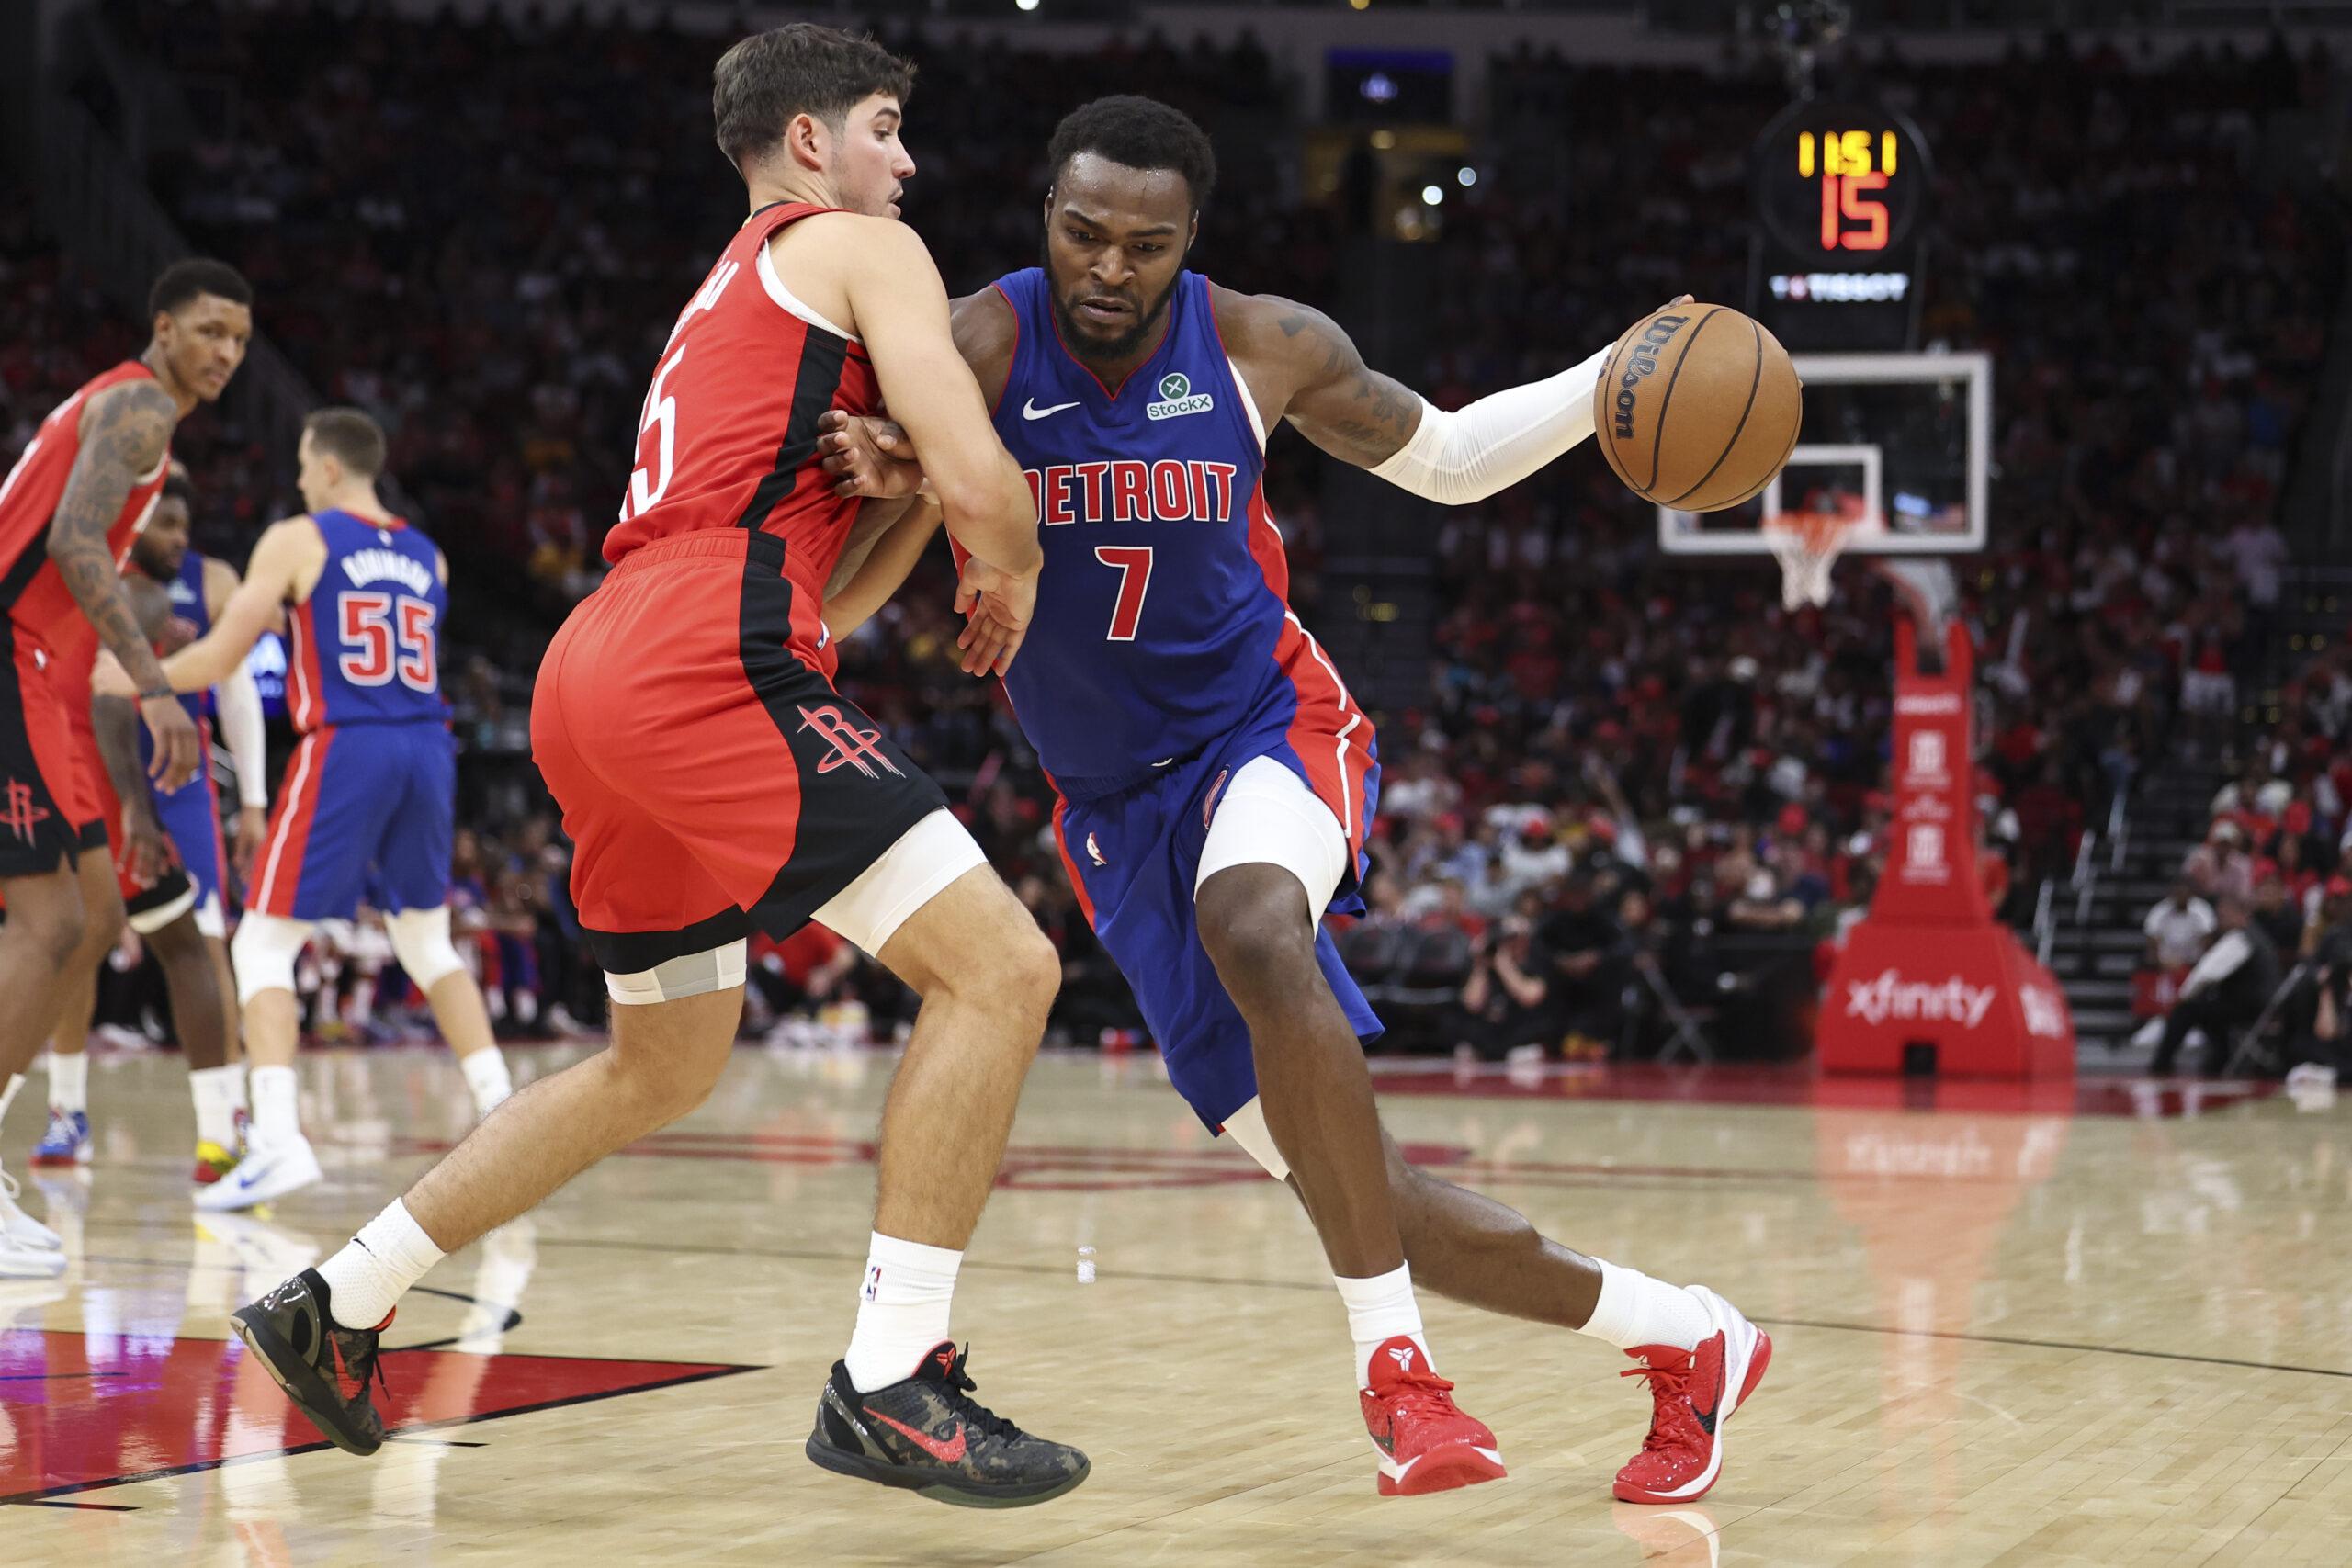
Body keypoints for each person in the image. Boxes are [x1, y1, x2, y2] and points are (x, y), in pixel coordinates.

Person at [818, 95, 1768, 1505]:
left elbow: (1450, 458)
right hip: (1113, 815)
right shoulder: (975, 344)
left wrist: (1610, 370)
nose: (1109, 267)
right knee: (1364, 1188)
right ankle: (1691, 1334)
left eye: (1146, 243)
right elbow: (870, 499)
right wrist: (885, 474)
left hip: (1271, 727)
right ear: (1047, 218)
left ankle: (1399, 1373)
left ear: (1190, 239)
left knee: (1257, 923)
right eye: (1083, 232)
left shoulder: (1267, 343)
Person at [205, 28, 1086, 1509]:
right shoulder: (865, 246)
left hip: (614, 656)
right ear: (809, 142)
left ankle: (338, 1297)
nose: (907, 160)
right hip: (699, 653)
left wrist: (918, 493)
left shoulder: (728, 297)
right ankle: (891, 1374)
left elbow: (837, 599)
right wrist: (1010, 543)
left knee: (660, 1060)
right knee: (1004, 968)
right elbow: (996, 491)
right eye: (885, 127)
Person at [99, 408, 515, 1209]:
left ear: (327, 467)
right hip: (429, 745)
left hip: (350, 741)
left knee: (262, 944)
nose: (295, 479)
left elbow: (225, 654)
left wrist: (140, 677)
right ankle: (502, 1109)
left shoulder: (299, 538)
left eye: (300, 464)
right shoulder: (428, 554)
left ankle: (279, 1140)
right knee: (427, 941)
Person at [0, 258, 249, 1279]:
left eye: (240, 339)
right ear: (164, 327)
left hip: (40, 668)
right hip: (13, 651)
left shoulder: (122, 405)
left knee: (98, 915)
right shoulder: (141, 406)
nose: (226, 352)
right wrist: (155, 684)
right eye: (210, 331)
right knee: (49, 924)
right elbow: (72, 541)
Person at [33, 472, 267, 1185]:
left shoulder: (212, 579)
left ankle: (226, 1117)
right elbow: (105, 699)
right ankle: (78, 1110)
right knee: (100, 944)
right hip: (109, 779)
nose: (179, 538)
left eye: (184, 524)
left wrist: (253, 798)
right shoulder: (114, 583)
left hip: (173, 785)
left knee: (196, 941)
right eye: (166, 523)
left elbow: (237, 690)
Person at [2150, 894, 2282, 1076]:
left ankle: (2161, 1064)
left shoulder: (2241, 938)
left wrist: (2183, 996)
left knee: (2187, 1009)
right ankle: (2218, 1059)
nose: (2220, 921)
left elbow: (2207, 973)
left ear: (2242, 914)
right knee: (2209, 1012)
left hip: (2250, 1006)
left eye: (2224, 915)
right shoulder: (2257, 935)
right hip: (2260, 1005)